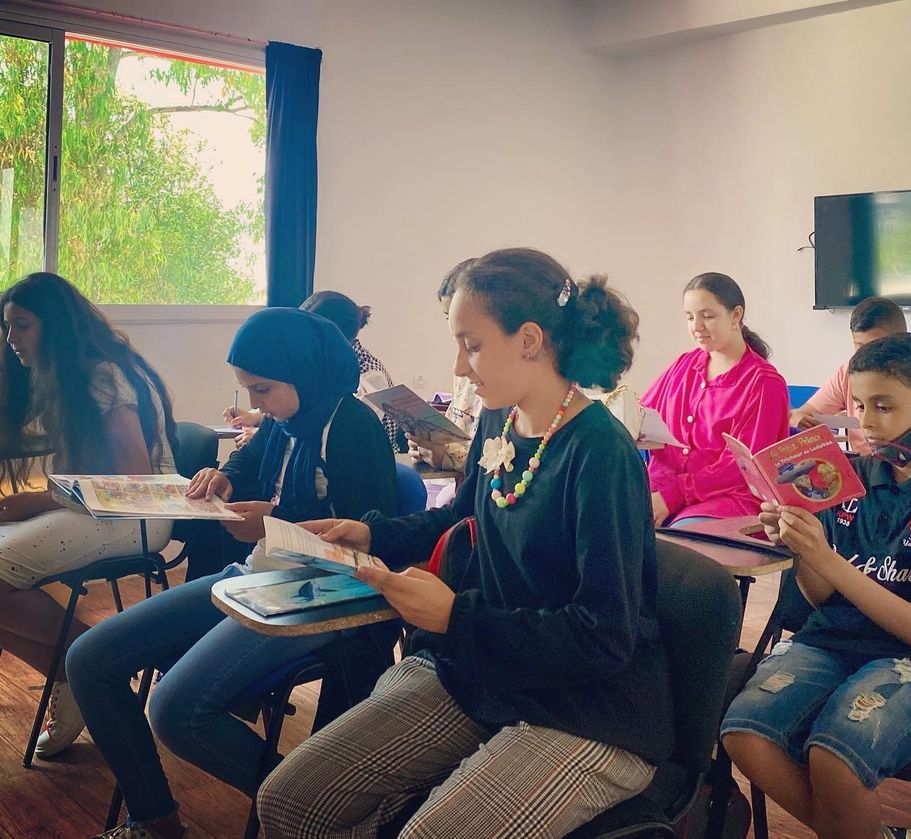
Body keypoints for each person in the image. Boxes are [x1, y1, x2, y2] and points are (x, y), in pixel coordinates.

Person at [256, 248, 674, 838]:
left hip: (588, 711)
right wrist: (374, 533)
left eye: (471, 345)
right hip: (491, 670)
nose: (460, 365)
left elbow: (603, 637)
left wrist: (457, 615)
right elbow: (460, 514)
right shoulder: (498, 422)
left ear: (529, 339)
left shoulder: (599, 452)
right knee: (289, 801)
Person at [65, 308, 398, 839]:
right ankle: (155, 820)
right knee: (88, 659)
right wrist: (223, 474)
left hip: (322, 594)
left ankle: (322, 812)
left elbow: (369, 543)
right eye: (249, 391)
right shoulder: (289, 418)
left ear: (304, 372)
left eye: (262, 390)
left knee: (176, 711)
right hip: (260, 576)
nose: (256, 405)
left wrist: (274, 522)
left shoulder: (353, 428)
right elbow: (251, 457)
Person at [721, 333, 911, 839]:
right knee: (744, 732)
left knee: (834, 756)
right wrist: (802, 546)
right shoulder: (847, 478)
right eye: (861, 404)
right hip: (833, 640)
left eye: (884, 407)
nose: (866, 422)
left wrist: (827, 557)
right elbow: (821, 597)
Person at [0, 272, 177, 759]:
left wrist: (37, 499)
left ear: (55, 327)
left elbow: (135, 484)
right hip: (100, 508)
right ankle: (78, 673)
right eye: (7, 326)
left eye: (22, 326)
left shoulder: (103, 375)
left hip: (140, 514)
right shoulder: (65, 375)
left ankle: (97, 658)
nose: (11, 339)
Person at [641, 272, 789, 526]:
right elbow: (641, 415)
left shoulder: (764, 384)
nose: (696, 326)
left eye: (707, 316)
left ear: (736, 315)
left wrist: (673, 494)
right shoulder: (683, 366)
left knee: (679, 547)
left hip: (727, 499)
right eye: (689, 317)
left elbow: (741, 469)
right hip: (661, 489)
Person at [224, 290, 400, 448]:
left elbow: (334, 426)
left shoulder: (370, 376)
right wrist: (254, 416)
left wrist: (261, 437)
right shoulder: (317, 371)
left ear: (328, 336)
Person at [790, 296, 907, 455]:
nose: (866, 356)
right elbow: (800, 414)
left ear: (901, 341)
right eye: (859, 346)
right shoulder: (847, 374)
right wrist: (799, 420)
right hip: (863, 469)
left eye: (874, 347)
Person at [407, 258, 482, 475]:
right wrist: (426, 444)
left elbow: (498, 460)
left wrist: (448, 457)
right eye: (448, 317)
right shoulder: (463, 370)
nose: (458, 368)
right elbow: (454, 426)